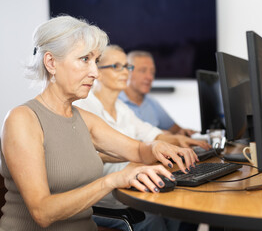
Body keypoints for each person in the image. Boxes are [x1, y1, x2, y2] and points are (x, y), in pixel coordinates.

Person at [0, 15, 197, 231]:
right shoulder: (22, 119)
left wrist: (157, 146)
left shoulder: (84, 119)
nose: (94, 72)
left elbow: (139, 151)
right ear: (51, 62)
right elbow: (43, 212)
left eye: (96, 61)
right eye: (85, 59)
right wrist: (111, 180)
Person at [76, 45, 210, 230]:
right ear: (97, 71)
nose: (125, 72)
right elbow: (91, 156)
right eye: (117, 66)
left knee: (179, 211)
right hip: (104, 197)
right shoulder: (85, 106)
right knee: (154, 219)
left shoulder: (123, 109)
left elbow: (151, 134)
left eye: (127, 66)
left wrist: (179, 142)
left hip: (131, 188)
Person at [118, 51, 196, 137]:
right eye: (143, 71)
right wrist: (161, 134)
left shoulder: (151, 102)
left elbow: (176, 130)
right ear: (127, 72)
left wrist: (183, 132)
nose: (150, 77)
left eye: (152, 72)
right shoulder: (116, 102)